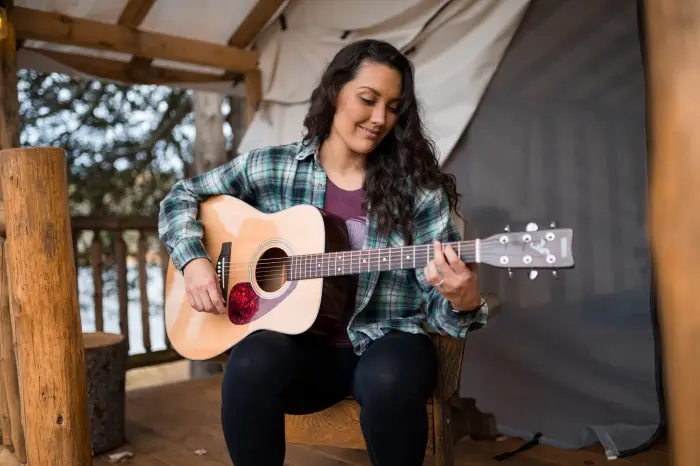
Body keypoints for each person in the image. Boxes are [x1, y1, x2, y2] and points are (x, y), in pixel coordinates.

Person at [158, 38, 488, 466]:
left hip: (386, 342)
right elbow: (182, 196)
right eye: (367, 100)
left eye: (393, 107)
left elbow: (436, 307)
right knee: (249, 365)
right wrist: (195, 260)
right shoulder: (272, 167)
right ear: (335, 91)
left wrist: (461, 300)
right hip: (303, 351)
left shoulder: (418, 193)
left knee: (389, 380)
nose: (379, 118)